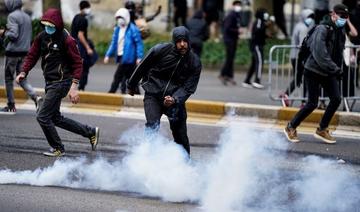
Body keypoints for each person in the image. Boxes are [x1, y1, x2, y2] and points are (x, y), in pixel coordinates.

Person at [16, 9, 100, 157]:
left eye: (51, 25)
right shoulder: (41, 37)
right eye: (45, 25)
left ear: (58, 25)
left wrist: (74, 87)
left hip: (62, 82)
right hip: (49, 81)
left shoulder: (66, 40)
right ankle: (90, 132)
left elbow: (78, 63)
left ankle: (58, 148)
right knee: (55, 118)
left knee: (42, 116)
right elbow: (32, 55)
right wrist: (24, 71)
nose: (48, 28)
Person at [284, 4, 357, 144]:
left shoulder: (340, 31)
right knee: (312, 103)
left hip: (328, 71)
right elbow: (320, 55)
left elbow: (338, 53)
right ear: (333, 14)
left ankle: (322, 129)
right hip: (313, 70)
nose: (343, 19)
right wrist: (335, 69)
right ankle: (291, 126)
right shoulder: (322, 29)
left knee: (336, 99)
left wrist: (339, 69)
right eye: (341, 16)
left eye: (345, 17)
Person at [127, 26, 202, 155]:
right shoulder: (160, 50)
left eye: (185, 41)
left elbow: (188, 87)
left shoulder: (194, 62)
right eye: (179, 41)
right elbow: (142, 67)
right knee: (152, 126)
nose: (182, 44)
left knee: (180, 134)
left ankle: (185, 164)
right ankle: (146, 158)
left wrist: (174, 99)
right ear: (174, 41)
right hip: (153, 95)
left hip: (174, 101)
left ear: (189, 41)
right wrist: (132, 85)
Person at [0, 0, 41, 114]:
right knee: (22, 78)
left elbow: (13, 34)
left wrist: (3, 33)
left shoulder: (12, 16)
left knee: (8, 79)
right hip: (24, 52)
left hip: (13, 53)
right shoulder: (27, 16)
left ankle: (11, 105)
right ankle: (36, 97)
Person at [280, 9, 315, 107]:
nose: (310, 19)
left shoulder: (298, 25)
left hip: (295, 56)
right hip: (300, 57)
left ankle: (294, 98)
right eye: (309, 17)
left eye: (312, 17)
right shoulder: (303, 28)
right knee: (302, 79)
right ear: (304, 16)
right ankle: (299, 100)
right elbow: (302, 45)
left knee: (300, 78)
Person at [104, 8, 143, 94]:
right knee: (131, 77)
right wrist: (108, 55)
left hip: (129, 58)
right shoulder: (117, 29)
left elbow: (139, 43)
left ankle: (111, 93)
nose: (119, 20)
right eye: (118, 18)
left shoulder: (133, 29)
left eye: (121, 17)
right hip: (121, 57)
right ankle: (136, 94)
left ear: (126, 17)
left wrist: (139, 57)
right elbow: (113, 43)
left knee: (118, 76)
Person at [71, 0, 97, 91]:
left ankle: (72, 86)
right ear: (85, 8)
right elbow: (80, 35)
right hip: (80, 46)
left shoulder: (76, 17)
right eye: (88, 8)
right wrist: (88, 47)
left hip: (73, 45)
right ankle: (81, 87)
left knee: (75, 66)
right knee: (84, 67)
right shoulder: (83, 20)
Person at [243, 8, 271, 89]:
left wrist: (266, 35)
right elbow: (258, 31)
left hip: (257, 44)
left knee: (254, 63)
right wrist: (266, 25)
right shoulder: (259, 21)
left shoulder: (261, 22)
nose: (266, 15)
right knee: (260, 62)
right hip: (257, 45)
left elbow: (259, 32)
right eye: (264, 13)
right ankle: (257, 81)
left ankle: (247, 80)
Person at [218, 0, 242, 86]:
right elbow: (227, 28)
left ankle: (229, 76)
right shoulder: (231, 15)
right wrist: (237, 31)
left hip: (233, 39)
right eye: (237, 5)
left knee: (231, 58)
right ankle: (223, 74)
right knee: (229, 58)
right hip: (229, 40)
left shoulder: (237, 15)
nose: (239, 6)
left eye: (240, 5)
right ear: (233, 6)